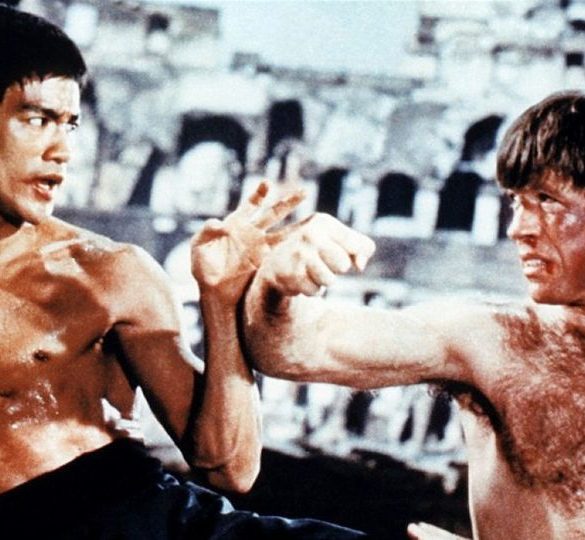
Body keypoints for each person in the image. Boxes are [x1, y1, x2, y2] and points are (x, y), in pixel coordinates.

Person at [0, 6, 368, 539]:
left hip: (129, 523)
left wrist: (222, 299)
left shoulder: (107, 273)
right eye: (38, 120)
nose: (63, 152)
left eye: (71, 124)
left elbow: (230, 467)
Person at [242, 90, 585, 540]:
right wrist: (274, 283)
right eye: (517, 202)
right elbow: (290, 346)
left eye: (547, 200)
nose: (518, 228)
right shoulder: (494, 339)